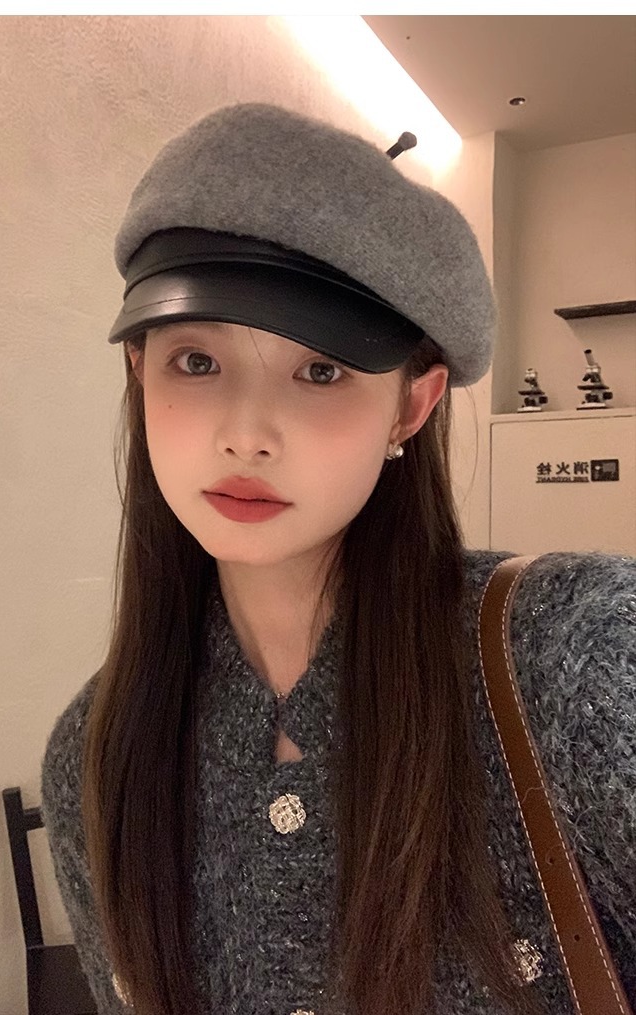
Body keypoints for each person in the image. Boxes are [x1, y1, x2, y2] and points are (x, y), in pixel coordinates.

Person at [40, 103, 635, 1015]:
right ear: (138, 370)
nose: (246, 434)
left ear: (412, 407)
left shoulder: (580, 660)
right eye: (195, 361)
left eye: (320, 371)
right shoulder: (97, 751)